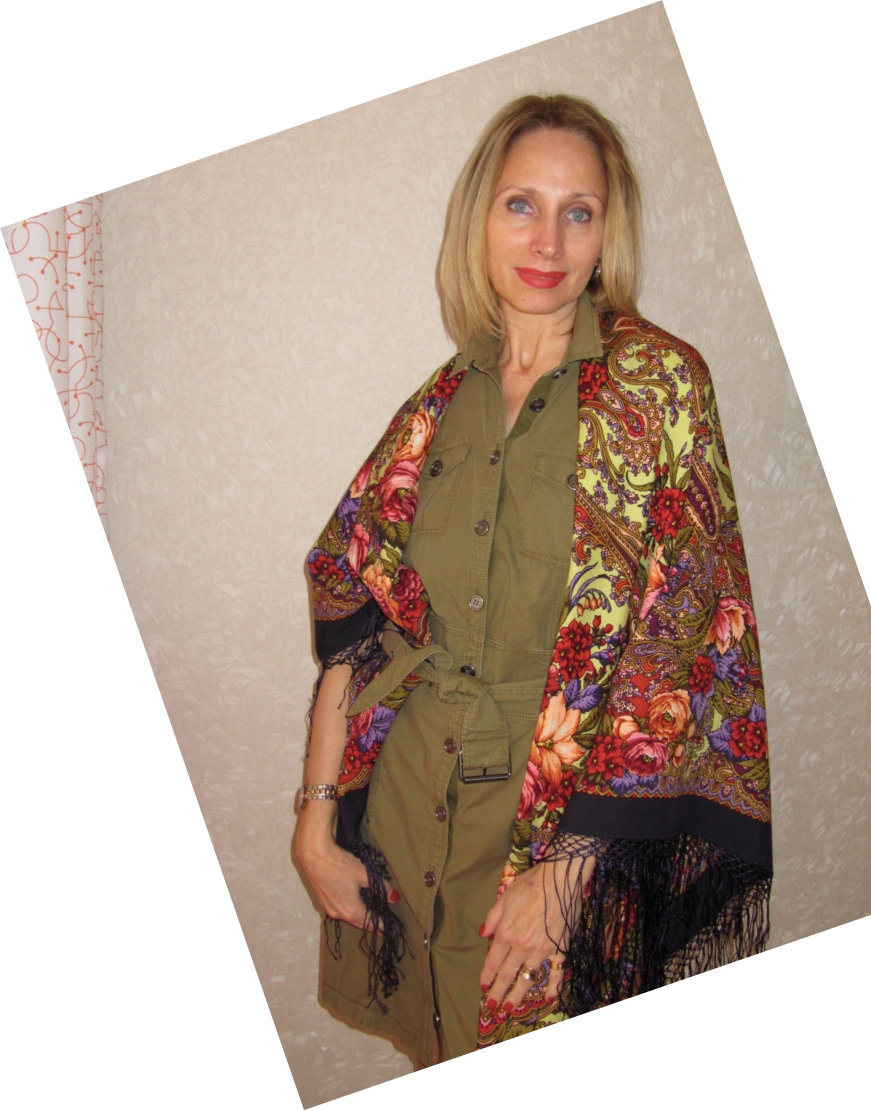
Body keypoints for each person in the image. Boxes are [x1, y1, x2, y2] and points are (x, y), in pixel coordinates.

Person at [294, 94, 772, 1068]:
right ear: (479, 218)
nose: (547, 239)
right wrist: (313, 822)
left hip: (564, 835)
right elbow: (354, 608)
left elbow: (689, 639)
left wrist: (570, 869)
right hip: (408, 816)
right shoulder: (439, 403)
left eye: (577, 211)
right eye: (521, 204)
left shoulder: (660, 385)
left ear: (606, 235)